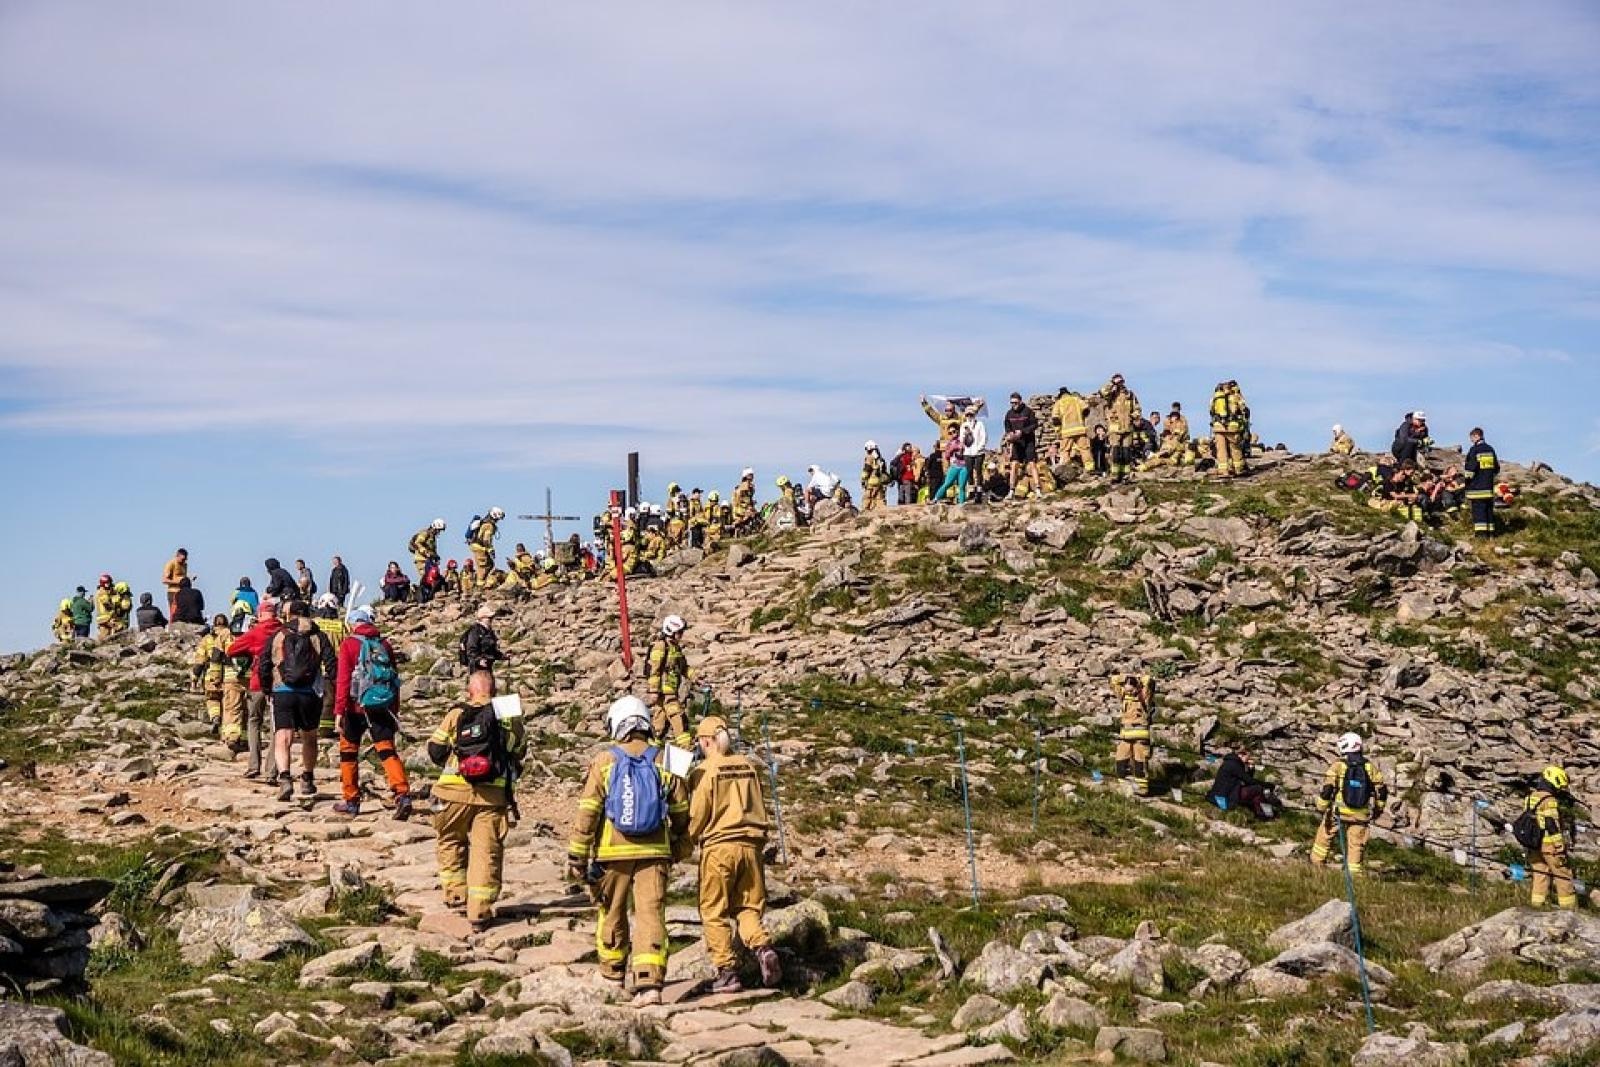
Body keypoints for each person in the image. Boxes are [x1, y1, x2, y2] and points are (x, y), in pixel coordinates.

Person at [566, 696, 690, 1007]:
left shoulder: (604, 760)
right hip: (656, 852)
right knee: (651, 913)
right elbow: (683, 811)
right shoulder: (669, 757)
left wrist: (577, 856)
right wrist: (677, 846)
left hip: (612, 853)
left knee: (612, 912)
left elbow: (588, 812)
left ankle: (613, 974)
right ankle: (650, 983)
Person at [688, 716, 782, 993]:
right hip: (752, 847)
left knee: (714, 910)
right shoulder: (748, 766)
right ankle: (763, 948)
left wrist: (684, 841)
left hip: (719, 847)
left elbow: (697, 816)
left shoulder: (704, 771)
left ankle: (727, 971)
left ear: (707, 741)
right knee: (748, 907)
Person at [428, 669, 526, 931]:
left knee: (450, 839)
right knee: (486, 851)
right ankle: (480, 912)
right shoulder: (508, 713)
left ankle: (456, 895)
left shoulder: (457, 712)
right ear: (493, 691)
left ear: (470, 691)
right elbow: (519, 750)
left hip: (452, 793)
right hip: (492, 797)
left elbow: (435, 751)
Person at [332, 606, 413, 820]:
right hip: (382, 704)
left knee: (348, 752)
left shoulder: (348, 644)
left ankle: (351, 800)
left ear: (352, 624)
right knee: (387, 750)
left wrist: (339, 710)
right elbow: (394, 678)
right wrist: (394, 709)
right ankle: (402, 793)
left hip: (354, 706)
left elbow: (343, 680)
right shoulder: (384, 644)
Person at [258, 599, 337, 802]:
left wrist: (267, 689)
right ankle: (308, 777)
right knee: (309, 736)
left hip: (283, 691)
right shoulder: (318, 635)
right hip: (310, 693)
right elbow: (331, 663)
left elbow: (264, 663)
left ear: (289, 614)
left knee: (283, 736)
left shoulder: (279, 634)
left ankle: (285, 777)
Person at [1310, 732, 1388, 875]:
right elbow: (1381, 790)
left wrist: (1321, 807)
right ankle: (1354, 874)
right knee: (1356, 844)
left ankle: (1316, 864)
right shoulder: (1370, 767)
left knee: (1324, 835)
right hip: (1360, 814)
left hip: (1338, 812)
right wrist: (1378, 810)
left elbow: (1328, 789)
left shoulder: (1338, 766)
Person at [227, 598, 282, 779]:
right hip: (280, 684)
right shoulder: (284, 631)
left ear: (259, 615)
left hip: (258, 682)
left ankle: (253, 765)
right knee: (277, 727)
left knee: (254, 721)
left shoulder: (255, 632)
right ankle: (272, 770)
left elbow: (232, 650)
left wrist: (249, 653)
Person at [1523, 766, 1576, 908]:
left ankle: (1536, 906)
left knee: (1540, 874)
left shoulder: (1530, 797)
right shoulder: (1550, 800)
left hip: (1533, 844)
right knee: (1563, 874)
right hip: (1549, 844)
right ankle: (1568, 908)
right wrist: (1559, 846)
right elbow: (1551, 824)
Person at [646, 615, 695, 747]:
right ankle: (686, 747)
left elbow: (683, 667)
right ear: (670, 631)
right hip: (665, 691)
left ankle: (653, 747)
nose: (681, 635)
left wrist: (696, 677)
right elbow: (654, 670)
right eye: (679, 632)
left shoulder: (675, 648)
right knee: (677, 716)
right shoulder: (660, 646)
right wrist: (654, 691)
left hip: (672, 689)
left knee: (660, 721)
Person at [311, 595, 350, 739]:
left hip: (312, 668)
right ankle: (326, 731)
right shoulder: (342, 626)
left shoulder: (313, 623)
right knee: (329, 699)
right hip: (333, 668)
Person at [1112, 673, 1154, 797]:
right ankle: (1124, 784)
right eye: (1126, 684)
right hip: (1125, 735)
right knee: (1121, 760)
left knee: (1140, 762)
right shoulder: (1123, 696)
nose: (1127, 686)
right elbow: (1113, 681)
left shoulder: (1144, 696)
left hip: (1140, 736)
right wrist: (1125, 677)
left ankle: (1142, 788)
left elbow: (1148, 680)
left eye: (1131, 684)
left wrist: (1138, 679)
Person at [191, 614, 233, 736]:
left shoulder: (207, 639)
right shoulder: (231, 636)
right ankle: (227, 732)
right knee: (228, 703)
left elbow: (200, 661)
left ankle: (215, 717)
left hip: (211, 675)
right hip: (229, 675)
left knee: (212, 699)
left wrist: (194, 679)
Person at [1206, 748, 1278, 819]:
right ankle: (1265, 813)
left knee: (1256, 792)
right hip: (1226, 796)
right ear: (1241, 755)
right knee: (1259, 788)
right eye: (1248, 757)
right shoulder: (1234, 765)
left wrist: (1251, 769)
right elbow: (1249, 780)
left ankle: (1262, 814)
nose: (1248, 759)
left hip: (1224, 793)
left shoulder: (1231, 762)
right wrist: (1267, 785)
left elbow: (1247, 779)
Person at [1100, 374, 1142, 482]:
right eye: (1117, 382)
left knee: (1126, 452)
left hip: (1127, 428)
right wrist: (1112, 383)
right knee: (1115, 452)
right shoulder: (1111, 395)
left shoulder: (1130, 395)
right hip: (1115, 428)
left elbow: (1137, 408)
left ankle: (1126, 474)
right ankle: (1115, 475)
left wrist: (1133, 416)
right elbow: (1103, 392)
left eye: (1121, 382)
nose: (1120, 384)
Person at [1464, 427, 1501, 537]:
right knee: (1488, 511)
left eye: (1471, 438)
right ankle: (1491, 534)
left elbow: (1470, 469)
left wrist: (1466, 480)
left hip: (1477, 488)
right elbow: (1496, 468)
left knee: (1479, 512)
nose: (1471, 441)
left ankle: (1481, 535)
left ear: (1476, 436)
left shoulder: (1474, 450)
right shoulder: (1490, 449)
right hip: (1488, 487)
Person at [1002, 392, 1041, 494]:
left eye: (1015, 402)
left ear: (1020, 401)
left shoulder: (1028, 411)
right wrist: (1009, 433)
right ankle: (1011, 490)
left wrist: (1023, 431)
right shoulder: (1009, 414)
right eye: (1011, 403)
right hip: (1016, 443)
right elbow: (1007, 426)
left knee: (1032, 464)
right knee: (1014, 464)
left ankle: (1038, 488)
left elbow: (1035, 424)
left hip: (1028, 441)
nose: (1013, 405)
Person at [1209, 380, 1248, 478]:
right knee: (1235, 448)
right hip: (1232, 427)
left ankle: (1223, 471)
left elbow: (1211, 410)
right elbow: (1244, 410)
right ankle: (1239, 469)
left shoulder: (1216, 397)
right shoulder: (1236, 396)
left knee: (1221, 449)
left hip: (1218, 427)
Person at [1051, 388, 1093, 471]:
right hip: (1080, 429)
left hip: (1066, 432)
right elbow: (1086, 409)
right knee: (1084, 449)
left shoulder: (1058, 403)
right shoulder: (1076, 399)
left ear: (1060, 395)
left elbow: (1055, 419)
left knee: (1065, 450)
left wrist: (1058, 431)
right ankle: (1090, 468)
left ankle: (1066, 469)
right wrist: (1082, 418)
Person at [459, 604, 506, 673]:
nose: (491, 620)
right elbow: (471, 649)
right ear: (482, 618)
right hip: (476, 668)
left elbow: (491, 650)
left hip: (487, 666)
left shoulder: (489, 632)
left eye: (492, 618)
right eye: (489, 618)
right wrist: (479, 660)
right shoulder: (475, 631)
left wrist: (502, 656)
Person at [469, 509, 504, 586]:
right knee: (485, 566)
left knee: (488, 565)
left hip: (477, 546)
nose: (498, 520)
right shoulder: (489, 526)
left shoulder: (484, 523)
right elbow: (486, 540)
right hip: (480, 548)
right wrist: (490, 549)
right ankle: (480, 585)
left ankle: (481, 583)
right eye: (498, 519)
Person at [960, 405, 988, 501]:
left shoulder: (980, 424)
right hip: (968, 452)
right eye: (967, 414)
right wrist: (965, 435)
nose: (969, 416)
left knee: (978, 471)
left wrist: (980, 448)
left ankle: (979, 492)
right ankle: (971, 491)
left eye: (971, 414)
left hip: (978, 452)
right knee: (969, 472)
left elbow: (984, 437)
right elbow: (961, 439)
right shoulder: (964, 425)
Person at [934, 433, 969, 504]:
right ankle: (936, 498)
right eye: (950, 433)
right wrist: (952, 449)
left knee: (962, 486)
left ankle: (962, 503)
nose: (953, 434)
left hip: (964, 466)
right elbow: (947, 456)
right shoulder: (949, 443)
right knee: (947, 483)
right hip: (954, 466)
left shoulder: (965, 441)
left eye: (954, 431)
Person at [410, 519, 446, 583]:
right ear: (435, 527)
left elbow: (432, 549)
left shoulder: (432, 537)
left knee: (435, 576)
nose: (439, 532)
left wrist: (436, 557)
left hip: (429, 561)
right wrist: (425, 552)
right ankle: (416, 590)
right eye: (439, 530)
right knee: (426, 577)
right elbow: (418, 543)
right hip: (421, 560)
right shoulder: (425, 533)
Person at [860, 442, 889, 512]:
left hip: (871, 483)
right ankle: (881, 513)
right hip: (880, 483)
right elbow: (884, 471)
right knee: (880, 499)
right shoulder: (881, 459)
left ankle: (865, 514)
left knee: (867, 499)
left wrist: (863, 480)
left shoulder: (869, 458)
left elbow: (866, 470)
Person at [163, 548, 189, 619]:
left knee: (184, 612)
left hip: (183, 592)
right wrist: (178, 582)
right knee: (174, 612)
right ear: (177, 556)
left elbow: (182, 576)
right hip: (173, 592)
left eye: (185, 559)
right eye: (182, 559)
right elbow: (164, 580)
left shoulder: (185, 565)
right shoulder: (171, 564)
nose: (184, 561)